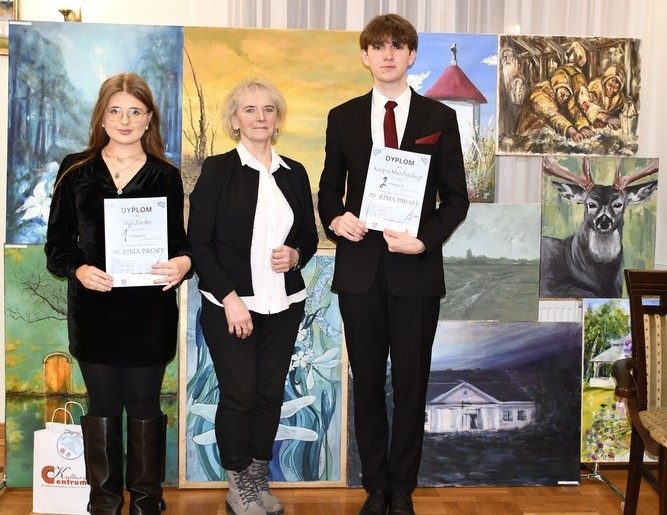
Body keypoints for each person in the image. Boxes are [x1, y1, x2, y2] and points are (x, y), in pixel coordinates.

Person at [317, 14, 469, 515]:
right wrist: (336, 219)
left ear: (410, 55)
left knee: (410, 384)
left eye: (397, 46)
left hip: (416, 274)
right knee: (366, 383)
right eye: (378, 46)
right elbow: (328, 191)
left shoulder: (437, 118)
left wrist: (424, 241)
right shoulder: (342, 116)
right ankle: (375, 486)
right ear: (365, 56)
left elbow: (456, 199)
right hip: (359, 273)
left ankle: (402, 488)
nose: (387, 54)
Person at [45, 72, 192, 515]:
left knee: (145, 404)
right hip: (94, 311)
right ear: (102, 117)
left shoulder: (166, 175)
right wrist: (79, 269)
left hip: (150, 312)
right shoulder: (75, 169)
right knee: (103, 404)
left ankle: (147, 502)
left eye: (134, 111)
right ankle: (104, 503)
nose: (125, 120)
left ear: (149, 119)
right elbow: (57, 245)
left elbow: (180, 243)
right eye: (115, 111)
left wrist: (184, 263)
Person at [187, 79, 318, 515]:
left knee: (269, 395)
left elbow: (308, 237)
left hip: (284, 305)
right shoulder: (218, 169)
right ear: (234, 121)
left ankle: (258, 478)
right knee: (239, 396)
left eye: (268, 109)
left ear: (277, 120)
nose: (260, 117)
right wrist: (230, 297)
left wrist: (296, 254)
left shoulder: (295, 172)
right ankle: (237, 484)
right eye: (249, 110)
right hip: (231, 307)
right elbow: (199, 242)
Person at [516, 66, 595, 142]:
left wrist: (584, 128)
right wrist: (572, 132)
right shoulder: (539, 92)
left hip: (549, 137)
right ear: (557, 85)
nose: (564, 97)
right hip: (528, 138)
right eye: (563, 91)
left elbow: (576, 112)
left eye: (568, 94)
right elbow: (553, 115)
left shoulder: (568, 97)